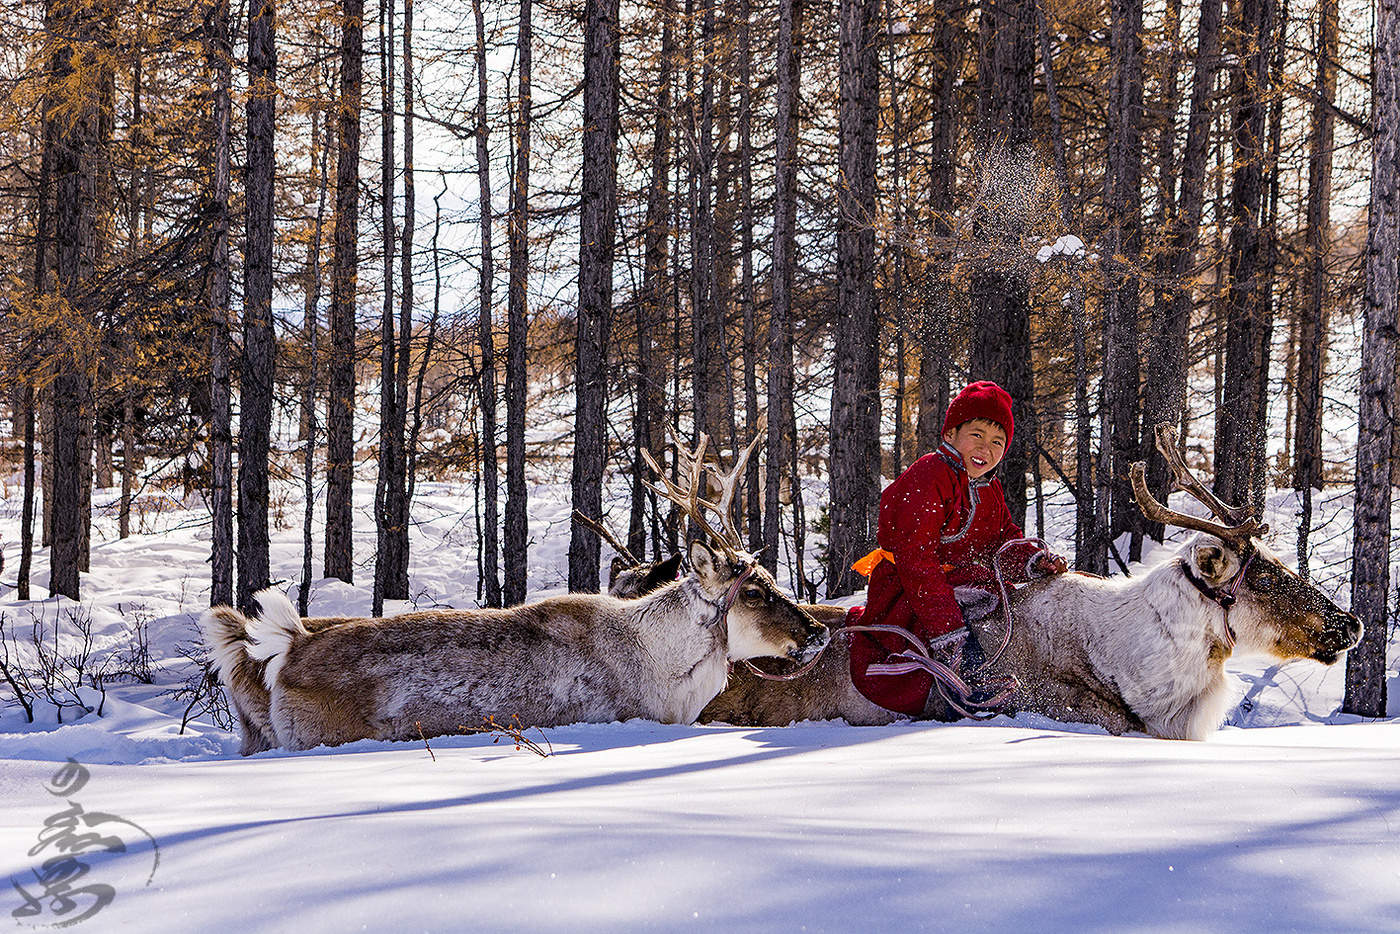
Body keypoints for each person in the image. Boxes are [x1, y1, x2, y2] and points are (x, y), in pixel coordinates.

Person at [846, 380, 1067, 717]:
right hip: (912, 592)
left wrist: (1034, 562)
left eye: (997, 441)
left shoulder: (987, 487)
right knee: (964, 647)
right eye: (976, 434)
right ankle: (970, 697)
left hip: (964, 584)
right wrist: (947, 627)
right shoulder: (929, 476)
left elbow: (1003, 541)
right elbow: (917, 562)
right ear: (950, 434)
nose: (986, 448)